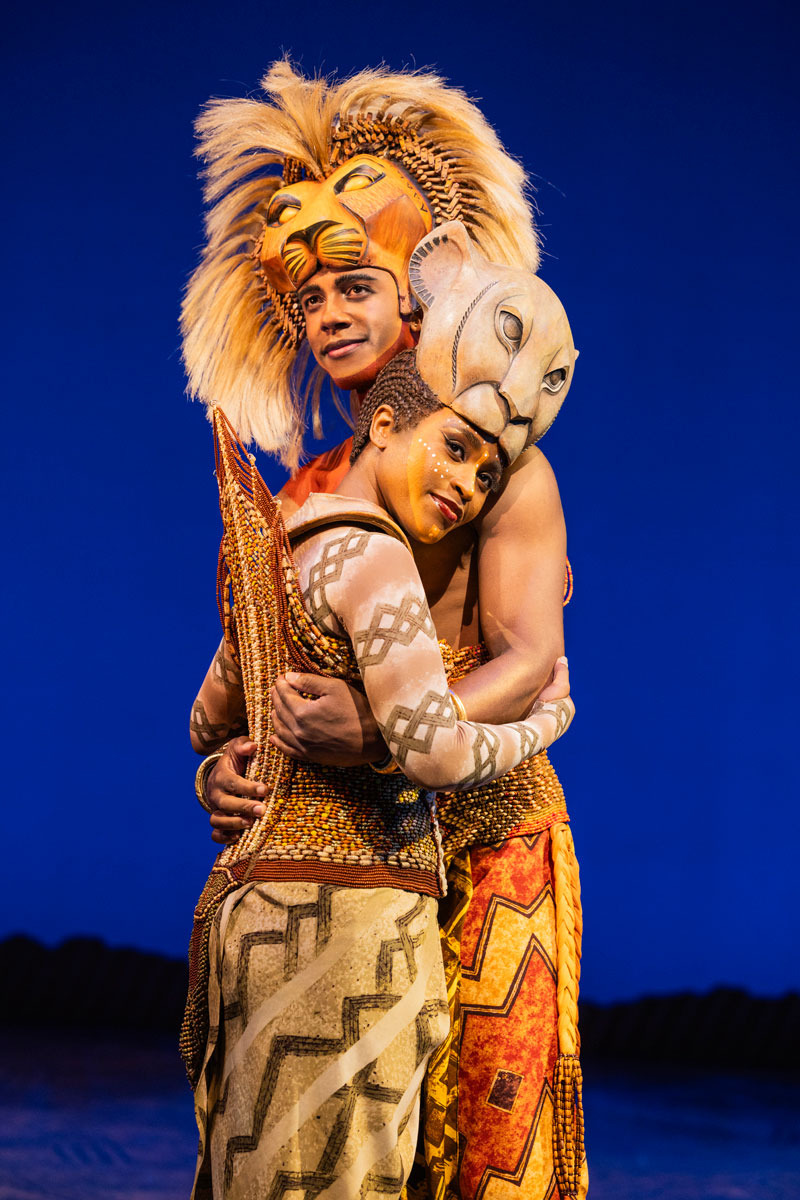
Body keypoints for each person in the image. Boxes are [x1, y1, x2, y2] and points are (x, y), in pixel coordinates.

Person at [184, 63, 586, 1199]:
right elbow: (264, 671)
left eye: (357, 284)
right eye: (306, 303)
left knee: (491, 1161)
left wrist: (388, 729)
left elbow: (529, 659)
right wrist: (229, 764)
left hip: (487, 833)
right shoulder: (316, 484)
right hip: (356, 853)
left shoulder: (499, 466)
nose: (330, 320)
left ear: (424, 282)